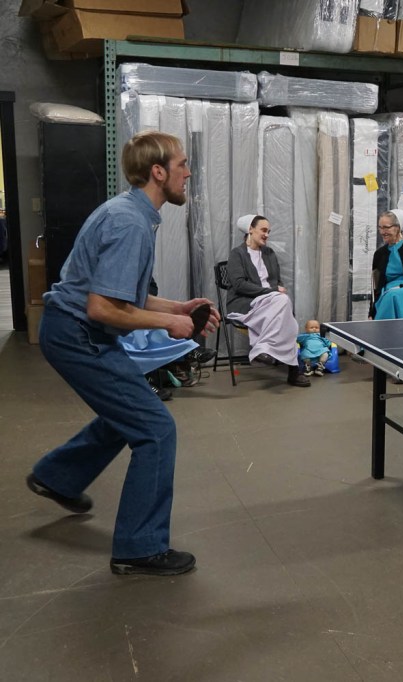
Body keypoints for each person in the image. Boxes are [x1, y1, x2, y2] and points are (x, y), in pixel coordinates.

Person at [27, 130, 220, 576]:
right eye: (182, 164)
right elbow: (102, 308)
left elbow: (119, 292)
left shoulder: (132, 213)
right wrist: (169, 325)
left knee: (128, 413)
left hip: (76, 330)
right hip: (78, 335)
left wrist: (176, 308)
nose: (189, 173)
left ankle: (56, 476)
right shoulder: (130, 223)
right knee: (156, 429)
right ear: (158, 172)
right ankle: (138, 547)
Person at [225, 214, 309, 387]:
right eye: (263, 230)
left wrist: (276, 290)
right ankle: (293, 370)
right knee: (284, 305)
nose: (267, 235)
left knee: (284, 307)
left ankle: (263, 349)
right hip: (245, 302)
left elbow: (277, 281)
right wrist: (271, 291)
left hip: (272, 302)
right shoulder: (237, 254)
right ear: (250, 229)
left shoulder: (269, 253)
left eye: (268, 231)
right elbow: (239, 285)